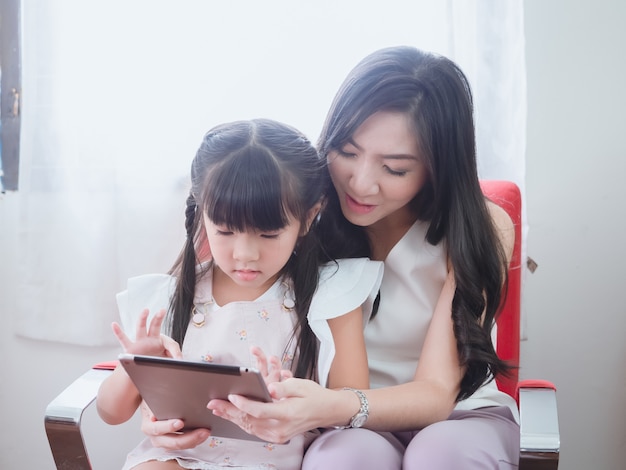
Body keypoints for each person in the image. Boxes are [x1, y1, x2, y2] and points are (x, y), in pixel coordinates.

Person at [200, 46, 521, 469]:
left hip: (459, 416)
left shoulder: (480, 226)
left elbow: (438, 392)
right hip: (337, 424)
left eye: (395, 168)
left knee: (440, 457)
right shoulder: (298, 218)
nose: (361, 184)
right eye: (347, 153)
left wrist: (333, 406)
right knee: (344, 459)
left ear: (438, 167)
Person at [96, 118, 384, 470]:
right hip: (180, 455)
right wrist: (136, 365)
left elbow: (350, 403)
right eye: (226, 231)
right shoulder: (169, 298)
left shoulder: (330, 294)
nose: (245, 254)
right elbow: (110, 413)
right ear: (202, 214)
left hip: (275, 461)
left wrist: (295, 397)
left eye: (268, 235)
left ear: (309, 218)